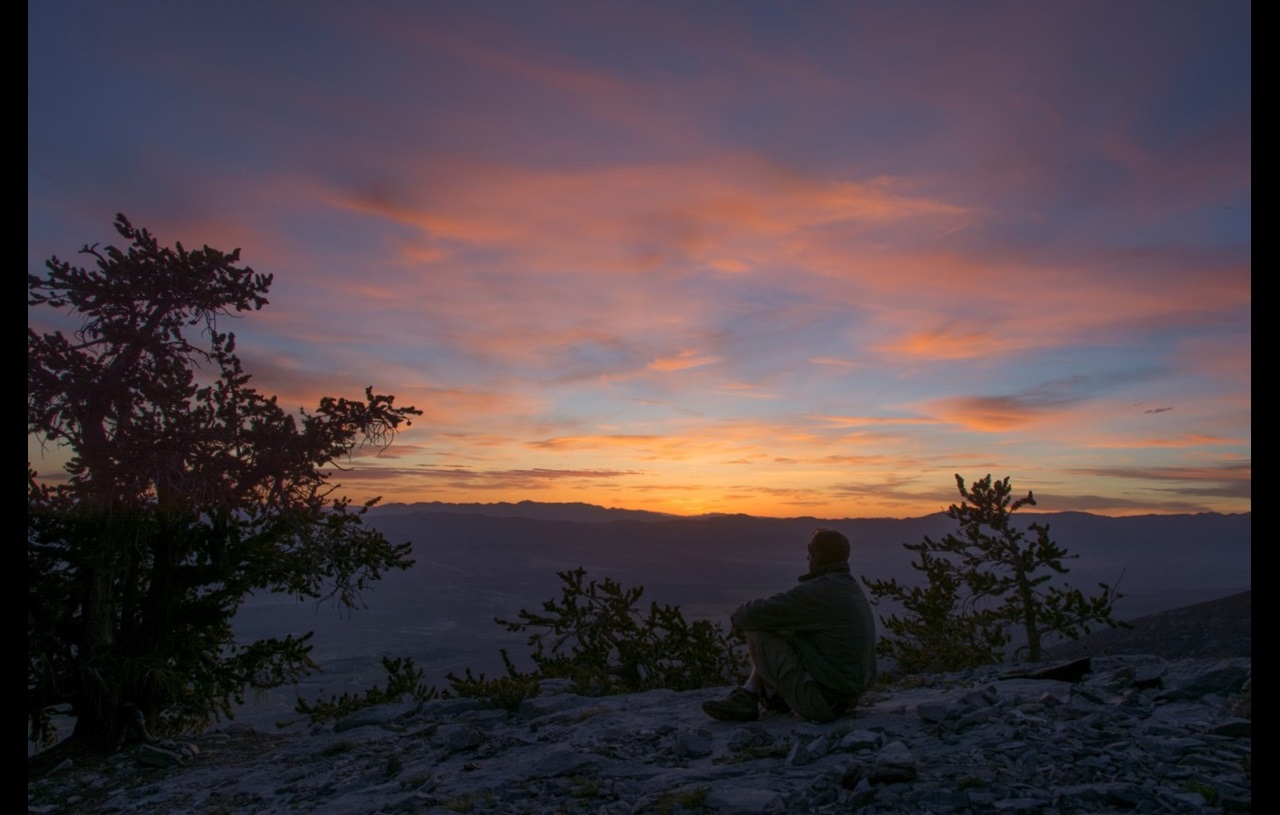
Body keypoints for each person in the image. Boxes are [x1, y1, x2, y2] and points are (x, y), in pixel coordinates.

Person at [702, 528, 877, 723]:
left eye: (810, 554)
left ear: (817, 558)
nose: (807, 558)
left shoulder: (821, 592)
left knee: (758, 630)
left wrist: (737, 619)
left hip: (823, 703)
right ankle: (749, 694)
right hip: (843, 697)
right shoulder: (846, 586)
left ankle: (749, 698)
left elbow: (753, 614)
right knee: (784, 628)